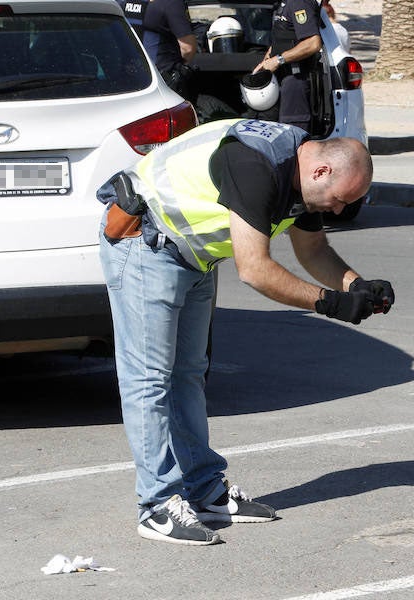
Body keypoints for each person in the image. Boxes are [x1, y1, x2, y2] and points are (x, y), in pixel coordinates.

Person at [97, 118, 395, 546]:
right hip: (145, 243)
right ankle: (157, 506)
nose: (335, 210)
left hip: (191, 257)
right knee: (149, 380)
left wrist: (356, 286)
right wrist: (329, 303)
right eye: (337, 200)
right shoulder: (257, 166)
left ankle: (204, 492)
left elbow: (313, 249)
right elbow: (254, 270)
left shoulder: (302, 176)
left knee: (187, 375)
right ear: (321, 171)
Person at [253, 0, 323, 131]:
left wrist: (278, 60)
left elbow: (313, 43)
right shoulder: (281, 5)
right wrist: (267, 60)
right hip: (282, 80)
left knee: (292, 136)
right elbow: (283, 38)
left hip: (296, 81)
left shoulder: (299, 3)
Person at [118, 0, 197, 99]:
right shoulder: (171, 3)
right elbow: (187, 48)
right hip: (161, 81)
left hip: (125, 77)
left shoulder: (120, 3)